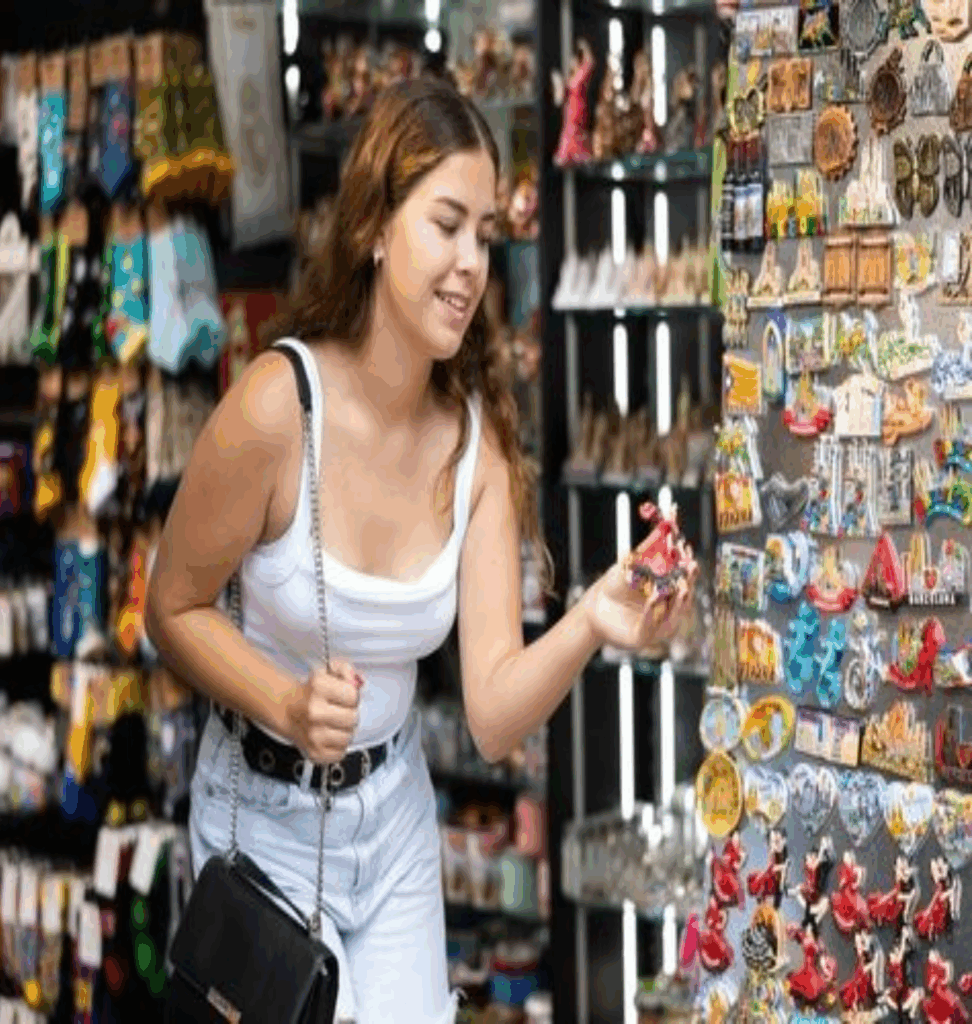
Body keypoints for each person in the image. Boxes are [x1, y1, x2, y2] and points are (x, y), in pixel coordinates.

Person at [144, 74, 697, 1024]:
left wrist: (591, 622)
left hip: (394, 819)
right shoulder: (276, 409)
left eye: (485, 234)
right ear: (373, 225)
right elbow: (170, 607)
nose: (472, 263)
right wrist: (286, 702)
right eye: (446, 225)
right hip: (264, 825)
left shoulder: (476, 445)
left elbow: (492, 717)